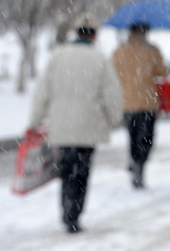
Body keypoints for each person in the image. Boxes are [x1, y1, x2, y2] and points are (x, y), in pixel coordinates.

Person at [29, 13, 122, 233]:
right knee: (82, 171)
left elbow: (42, 92)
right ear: (94, 35)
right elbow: (112, 95)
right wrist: (113, 118)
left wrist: (34, 122)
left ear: (77, 32)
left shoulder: (57, 56)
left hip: (62, 126)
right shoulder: (100, 60)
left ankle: (67, 211)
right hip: (88, 126)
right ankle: (75, 215)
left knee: (67, 170)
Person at [112, 22, 168, 189]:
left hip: (127, 102)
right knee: (147, 138)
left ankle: (135, 161)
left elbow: (112, 72)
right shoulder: (152, 50)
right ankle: (140, 164)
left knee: (133, 137)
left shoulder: (119, 51)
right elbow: (163, 72)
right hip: (147, 102)